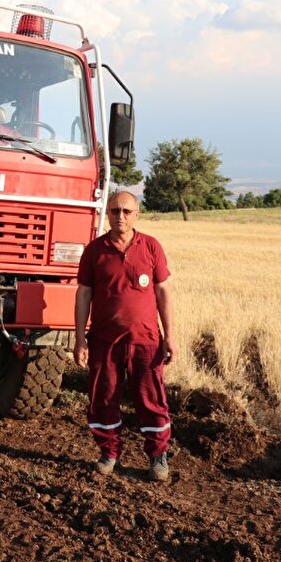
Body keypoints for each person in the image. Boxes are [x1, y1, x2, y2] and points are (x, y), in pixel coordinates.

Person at [74, 191, 175, 481]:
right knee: (103, 398)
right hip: (105, 340)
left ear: (137, 215)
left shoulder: (151, 247)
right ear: (107, 213)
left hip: (146, 340)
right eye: (115, 210)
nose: (121, 216)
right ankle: (109, 453)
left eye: (127, 211)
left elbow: (163, 292)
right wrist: (80, 339)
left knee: (151, 400)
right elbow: (83, 294)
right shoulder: (95, 250)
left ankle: (158, 456)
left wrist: (170, 336)